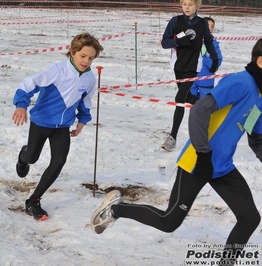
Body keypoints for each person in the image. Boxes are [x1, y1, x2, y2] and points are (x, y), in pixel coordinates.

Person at [90, 39, 262, 266]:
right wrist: (203, 154)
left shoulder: (259, 96)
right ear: (261, 61)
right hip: (197, 161)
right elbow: (200, 111)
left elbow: (257, 139)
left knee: (249, 218)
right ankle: (115, 209)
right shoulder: (241, 82)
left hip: (221, 167)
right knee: (169, 221)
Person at [12, 32, 104, 221]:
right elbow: (30, 83)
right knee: (33, 157)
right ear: (72, 52)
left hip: (62, 126)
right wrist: (21, 104)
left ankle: (33, 201)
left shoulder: (89, 79)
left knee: (58, 161)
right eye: (83, 56)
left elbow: (85, 101)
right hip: (41, 122)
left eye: (91, 58)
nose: (86, 61)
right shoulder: (59, 70)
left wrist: (82, 121)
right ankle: (24, 157)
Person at [160, 0, 219, 152]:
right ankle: (203, 104)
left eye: (190, 4)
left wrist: (214, 59)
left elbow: (210, 42)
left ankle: (172, 137)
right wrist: (178, 41)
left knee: (179, 99)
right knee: (186, 98)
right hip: (178, 66)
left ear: (197, 6)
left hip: (193, 66)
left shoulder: (202, 24)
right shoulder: (175, 21)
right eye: (184, 4)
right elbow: (164, 43)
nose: (187, 7)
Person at [190, 17, 223, 99]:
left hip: (206, 82)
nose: (210, 28)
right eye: (208, 26)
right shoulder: (193, 41)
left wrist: (202, 58)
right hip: (192, 81)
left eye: (212, 27)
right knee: (191, 106)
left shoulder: (214, 45)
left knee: (204, 108)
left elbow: (217, 62)